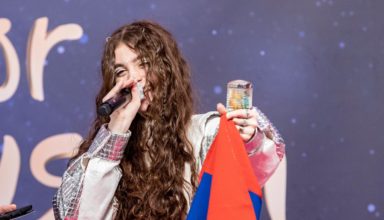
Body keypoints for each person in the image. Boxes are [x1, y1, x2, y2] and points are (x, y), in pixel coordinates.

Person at [53, 20, 285, 219]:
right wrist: (116, 128)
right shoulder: (108, 146)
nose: (134, 78)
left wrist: (248, 137)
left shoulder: (205, 131)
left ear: (168, 70)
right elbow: (76, 214)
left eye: (143, 64)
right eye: (121, 71)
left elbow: (249, 178)